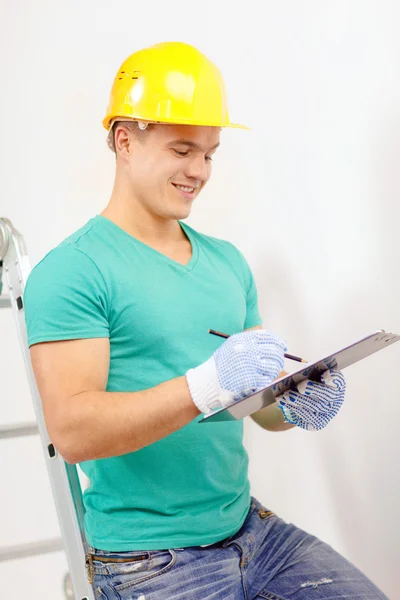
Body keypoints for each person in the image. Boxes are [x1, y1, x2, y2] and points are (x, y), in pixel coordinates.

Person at [24, 42, 387, 599]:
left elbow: (256, 411)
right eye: (182, 150)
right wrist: (206, 384)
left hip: (251, 532)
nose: (199, 171)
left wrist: (292, 401)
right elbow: (73, 432)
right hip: (149, 557)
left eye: (210, 154)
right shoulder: (74, 270)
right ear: (125, 139)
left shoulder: (226, 263)